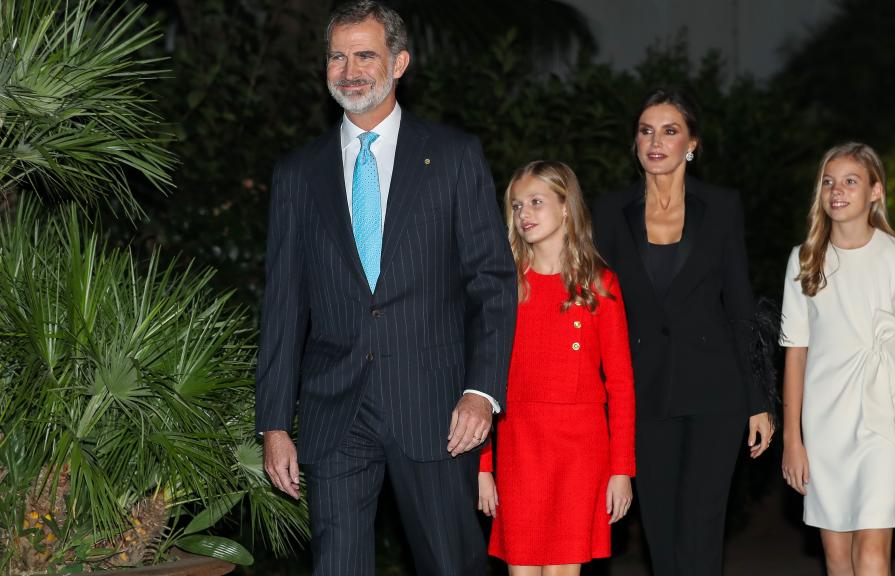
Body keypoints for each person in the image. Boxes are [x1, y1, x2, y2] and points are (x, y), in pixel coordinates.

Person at [254, 2, 517, 574]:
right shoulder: (298, 173)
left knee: (451, 565)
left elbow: (492, 283)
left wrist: (482, 391)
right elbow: (282, 306)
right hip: (334, 413)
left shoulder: (452, 157)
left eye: (365, 55)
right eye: (337, 56)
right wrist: (274, 423)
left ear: (399, 62)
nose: (350, 69)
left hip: (437, 411)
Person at [591, 87, 775, 575]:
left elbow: (738, 303)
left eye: (670, 131)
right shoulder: (610, 212)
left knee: (700, 525)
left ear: (691, 142)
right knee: (660, 532)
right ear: (635, 142)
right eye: (646, 130)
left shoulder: (722, 206)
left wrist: (758, 398)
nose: (656, 141)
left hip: (716, 392)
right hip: (642, 392)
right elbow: (597, 305)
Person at [779, 142, 895, 575]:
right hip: (825, 422)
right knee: (837, 555)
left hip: (883, 417)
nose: (837, 191)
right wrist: (793, 439)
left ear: (875, 191)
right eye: (828, 182)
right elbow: (795, 355)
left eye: (851, 181)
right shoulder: (805, 260)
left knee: (871, 553)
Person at [477, 161, 636, 576]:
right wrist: (483, 466)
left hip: (580, 451)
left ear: (566, 207)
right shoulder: (505, 285)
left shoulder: (601, 285)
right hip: (519, 446)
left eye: (535, 202)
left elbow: (621, 384)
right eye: (515, 206)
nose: (523, 214)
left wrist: (621, 470)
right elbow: (482, 381)